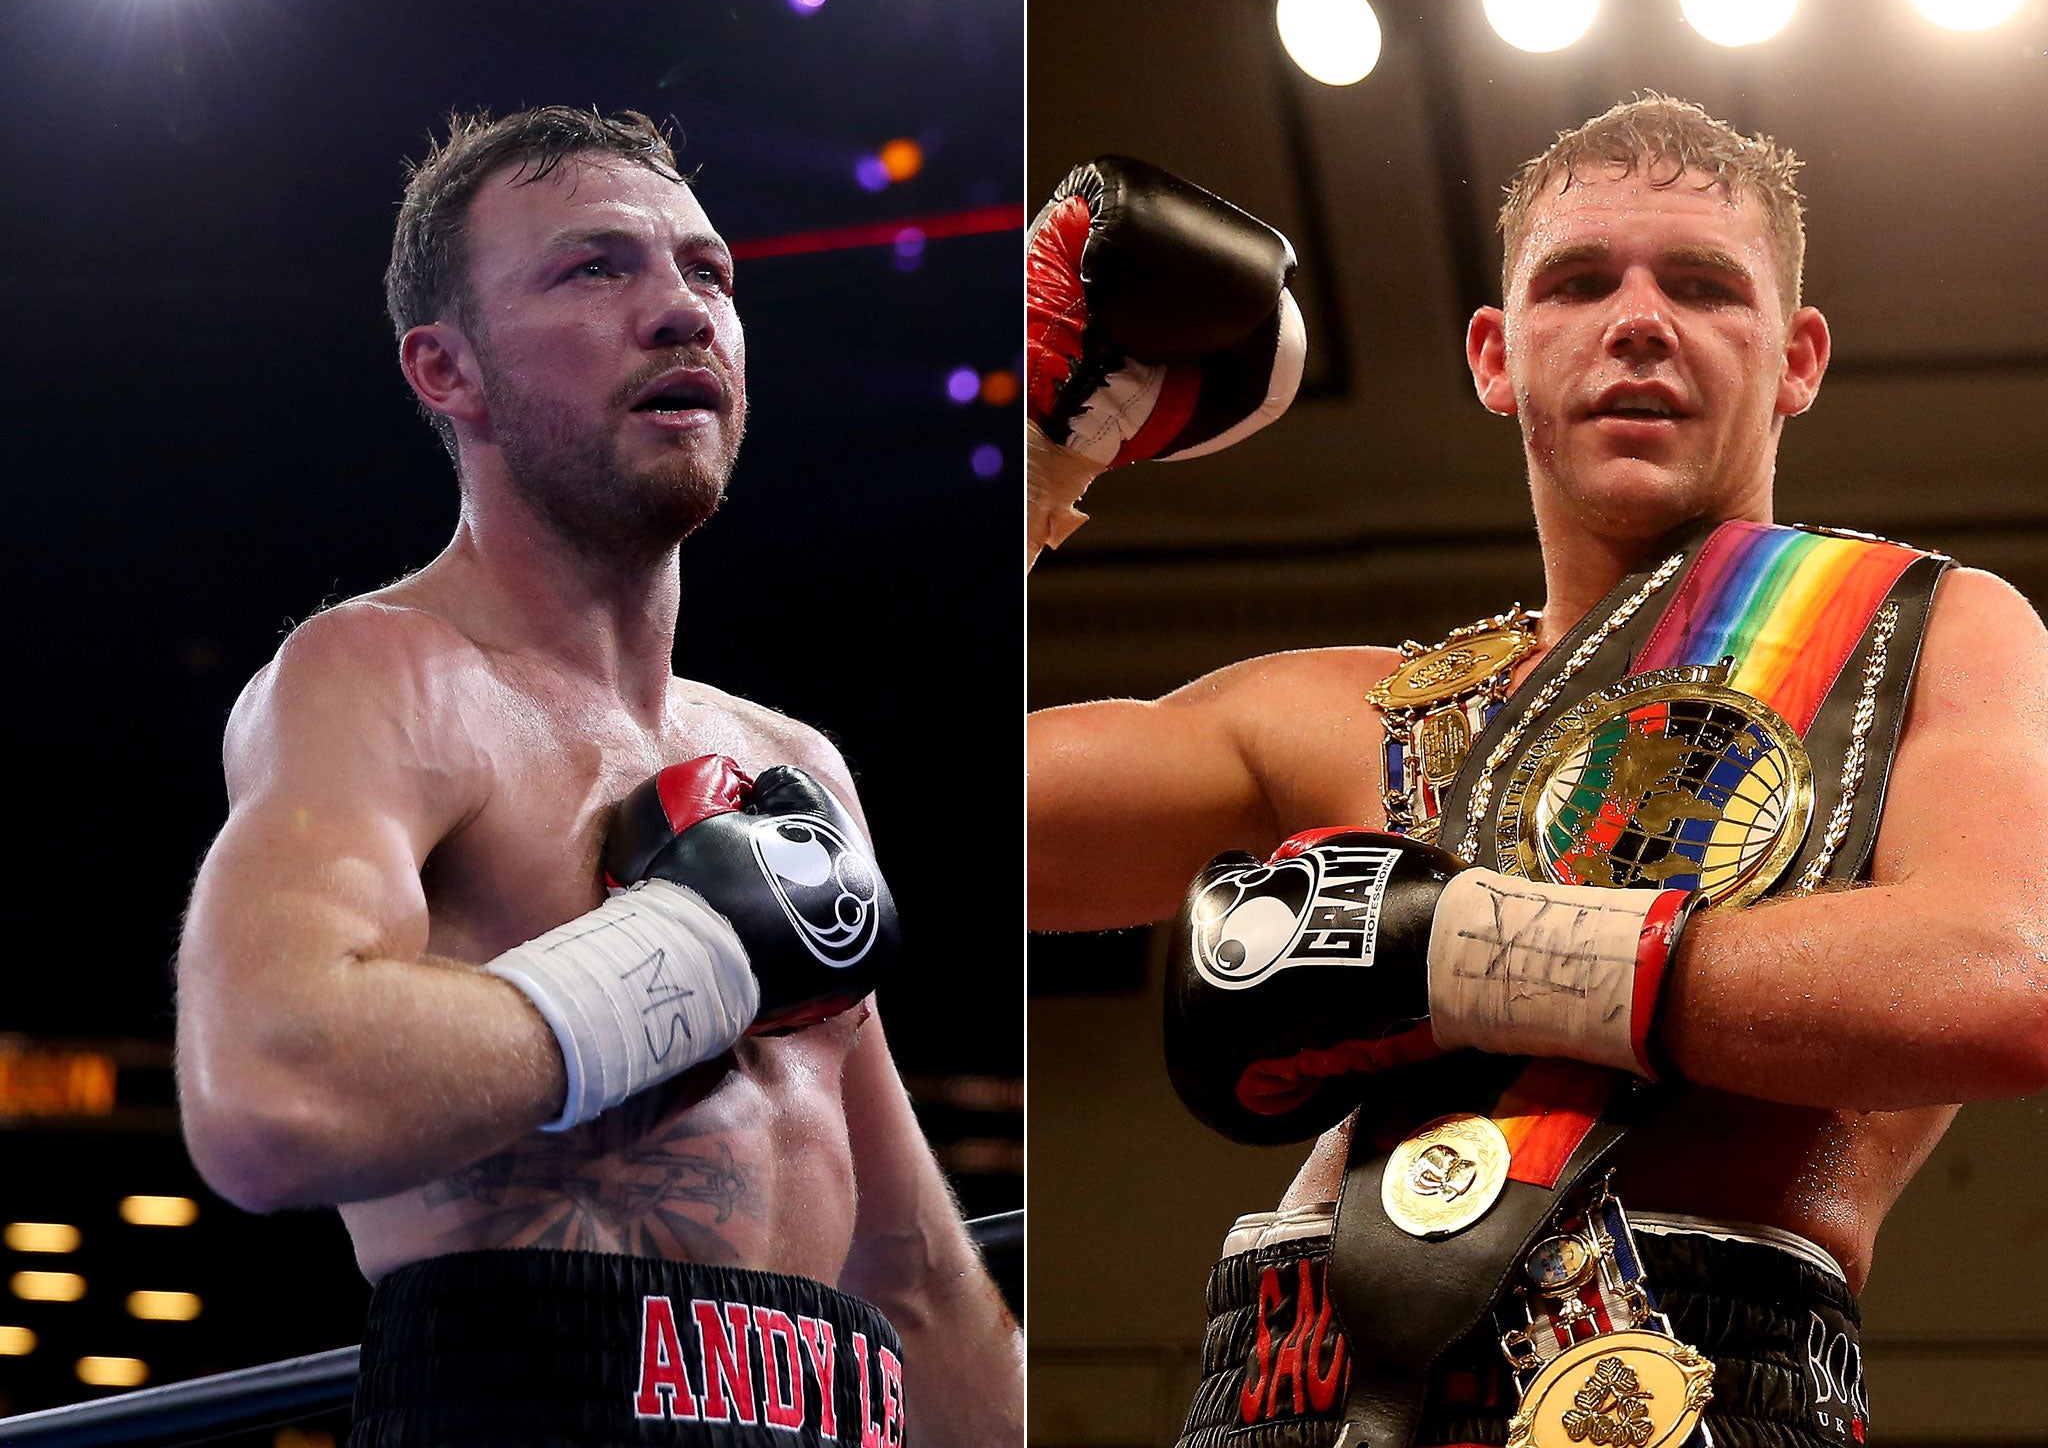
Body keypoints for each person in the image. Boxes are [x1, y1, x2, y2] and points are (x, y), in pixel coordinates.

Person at [1026, 98, 2048, 1448]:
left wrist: (1465, 952)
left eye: (1701, 286)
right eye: (1579, 281)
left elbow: (2007, 980)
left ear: (1798, 359)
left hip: (1679, 1373)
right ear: (1495, 358)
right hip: (1283, 1389)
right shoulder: (1344, 712)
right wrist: (1037, 461)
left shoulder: (1910, 636)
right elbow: (889, 818)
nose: (1638, 320)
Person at [177, 106, 1021, 1448]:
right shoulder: (387, 677)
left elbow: (907, 1279)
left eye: (709, 272)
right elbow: (273, 1094)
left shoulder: (793, 769)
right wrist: (690, 953)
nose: (683, 310)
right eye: (597, 267)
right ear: (447, 370)